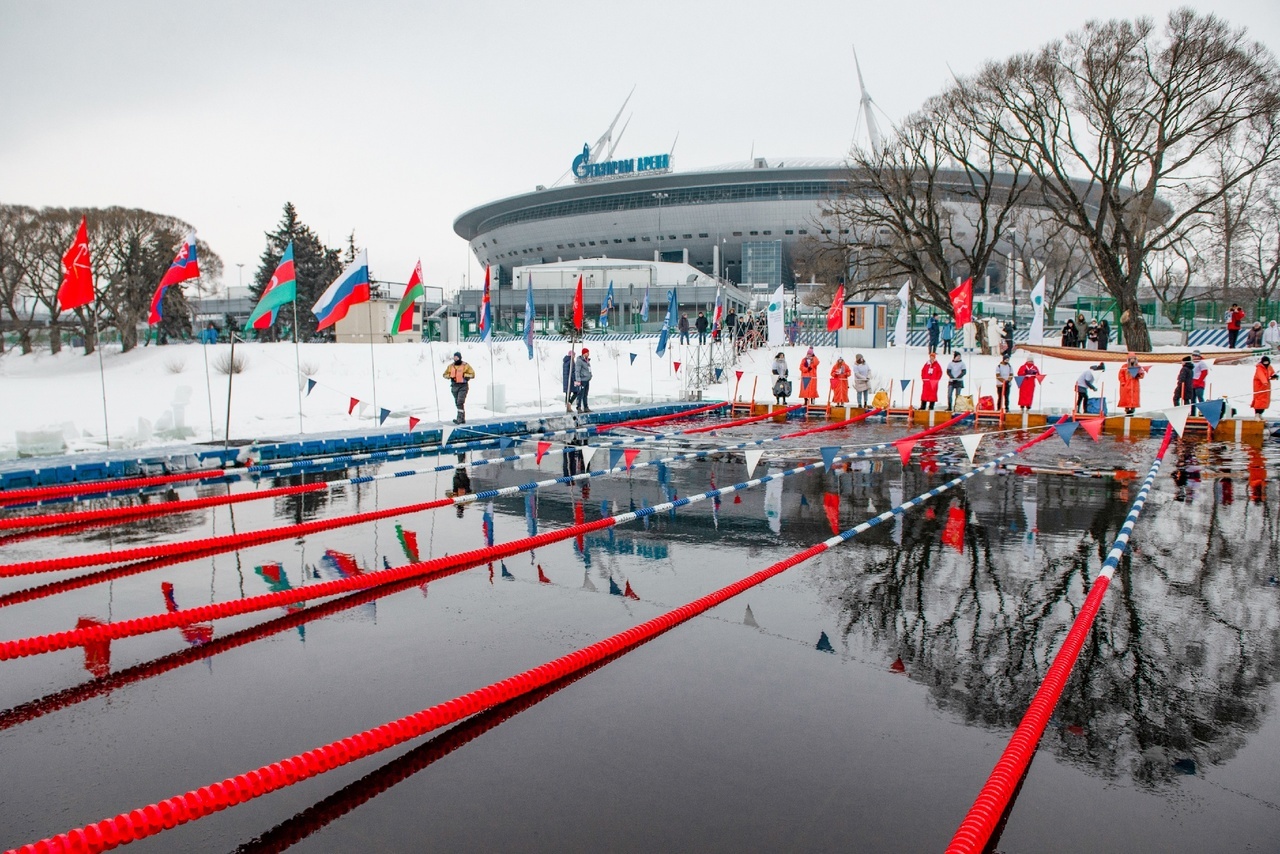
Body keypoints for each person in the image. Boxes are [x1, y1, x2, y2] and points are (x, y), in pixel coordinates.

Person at [442, 351, 475, 424]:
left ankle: (459, 419)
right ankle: (462, 418)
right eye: (454, 357)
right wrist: (450, 376)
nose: (455, 358)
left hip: (463, 386)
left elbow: (472, 374)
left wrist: (465, 375)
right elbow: (444, 375)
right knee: (457, 403)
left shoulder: (465, 365)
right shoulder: (451, 366)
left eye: (457, 357)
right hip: (454, 386)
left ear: (460, 357)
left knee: (460, 402)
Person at [572, 348, 592, 412]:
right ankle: (578, 407)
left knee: (585, 394)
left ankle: (586, 407)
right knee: (580, 394)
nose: (588, 354)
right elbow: (577, 371)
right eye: (587, 353)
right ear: (584, 353)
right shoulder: (580, 361)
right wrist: (578, 380)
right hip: (582, 380)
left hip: (587, 380)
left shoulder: (587, 361)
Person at [561, 348, 576, 413]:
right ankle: (569, 404)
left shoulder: (565, 362)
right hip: (571, 380)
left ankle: (567, 404)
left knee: (568, 393)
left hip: (566, 380)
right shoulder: (571, 362)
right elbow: (573, 371)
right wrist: (575, 380)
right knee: (576, 392)